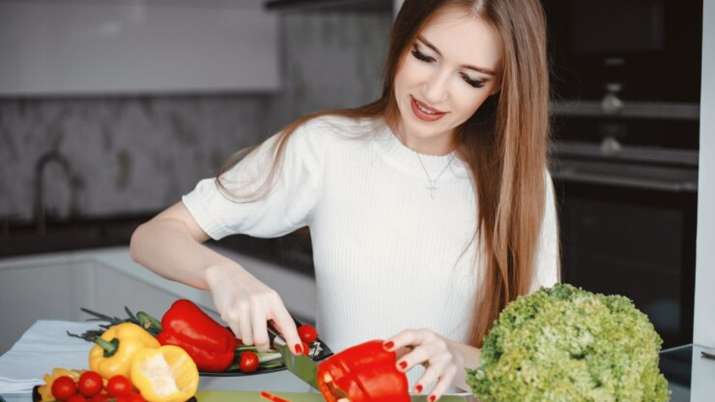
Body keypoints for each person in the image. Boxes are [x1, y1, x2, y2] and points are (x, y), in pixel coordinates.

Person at [129, 0, 559, 399]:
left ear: (500, 86)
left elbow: (542, 364)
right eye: (424, 56)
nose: (434, 91)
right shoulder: (325, 147)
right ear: (401, 42)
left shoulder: (523, 185)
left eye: (470, 78)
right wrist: (223, 274)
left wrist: (457, 357)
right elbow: (151, 238)